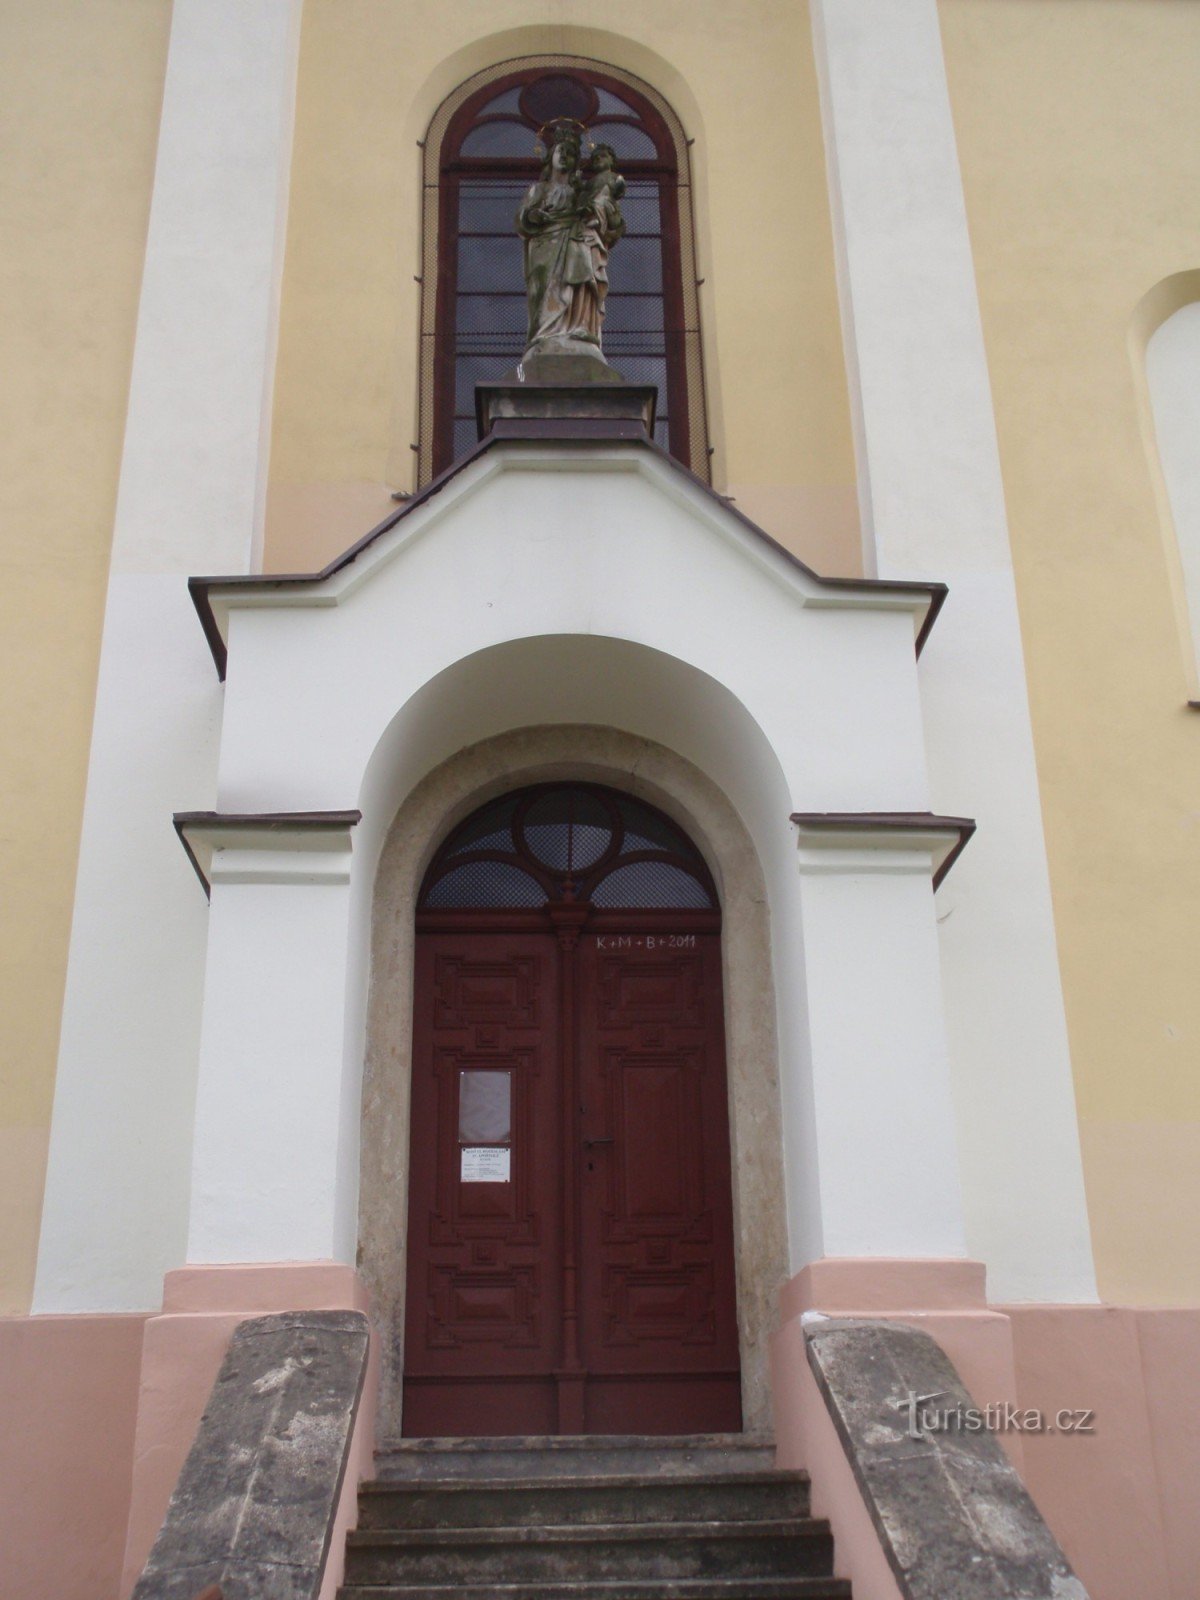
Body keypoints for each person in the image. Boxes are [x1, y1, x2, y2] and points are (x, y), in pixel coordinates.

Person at [515, 123, 622, 360]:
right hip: (545, 247)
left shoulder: (579, 192)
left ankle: (578, 328)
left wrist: (597, 213)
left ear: (575, 162)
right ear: (550, 157)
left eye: (571, 153)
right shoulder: (539, 190)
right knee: (546, 291)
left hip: (575, 240)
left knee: (581, 280)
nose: (565, 156)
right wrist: (533, 216)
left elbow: (603, 214)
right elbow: (522, 218)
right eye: (560, 151)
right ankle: (546, 334)